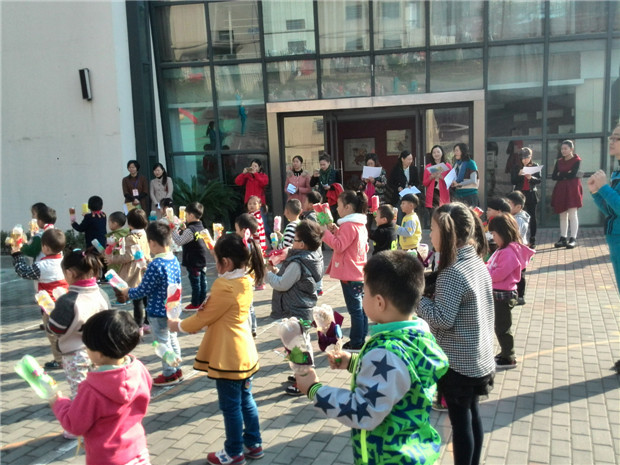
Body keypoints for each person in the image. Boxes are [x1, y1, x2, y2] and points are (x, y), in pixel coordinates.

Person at [296, 251, 449, 465]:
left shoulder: (386, 351)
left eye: (364, 291)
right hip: (413, 450)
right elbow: (401, 376)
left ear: (379, 302)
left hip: (387, 458)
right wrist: (353, 362)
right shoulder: (417, 335)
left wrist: (315, 390)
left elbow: (364, 411)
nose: (361, 296)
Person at [168, 234, 265, 465]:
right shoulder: (246, 278)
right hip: (245, 352)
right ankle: (253, 443)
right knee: (246, 400)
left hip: (228, 357)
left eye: (217, 259)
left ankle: (233, 452)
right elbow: (217, 312)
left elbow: (203, 318)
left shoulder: (224, 285)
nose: (215, 264)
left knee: (230, 407)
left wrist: (177, 325)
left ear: (226, 262)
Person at [417, 203, 495, 465]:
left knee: (460, 423)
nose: (430, 234)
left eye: (433, 228)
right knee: (472, 415)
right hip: (478, 357)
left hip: (459, 364)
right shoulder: (475, 260)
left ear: (448, 231)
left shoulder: (452, 272)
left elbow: (442, 319)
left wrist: (416, 298)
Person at [50, 310, 152, 465]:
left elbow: (74, 425)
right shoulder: (139, 369)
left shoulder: (92, 388)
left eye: (87, 347)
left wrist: (59, 403)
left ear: (99, 354)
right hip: (137, 450)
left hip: (106, 458)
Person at [48, 248, 110, 438]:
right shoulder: (102, 294)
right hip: (99, 351)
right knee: (98, 387)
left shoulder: (67, 300)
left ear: (69, 273)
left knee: (79, 391)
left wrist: (51, 312)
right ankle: (99, 416)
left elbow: (55, 328)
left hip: (75, 354)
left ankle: (77, 426)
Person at [116, 221, 183, 386]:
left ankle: (169, 373)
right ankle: (177, 369)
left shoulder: (155, 265)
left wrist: (127, 292)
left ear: (152, 243)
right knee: (172, 338)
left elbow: (143, 290)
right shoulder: (173, 259)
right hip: (172, 308)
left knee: (162, 343)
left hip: (157, 311)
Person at [265, 220, 324, 396]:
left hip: (296, 309)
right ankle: (301, 374)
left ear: (302, 244)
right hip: (304, 307)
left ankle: (303, 381)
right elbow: (290, 279)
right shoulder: (312, 258)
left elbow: (282, 284)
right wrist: (275, 272)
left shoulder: (298, 263)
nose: (292, 243)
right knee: (302, 343)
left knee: (297, 346)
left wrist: (266, 273)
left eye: (295, 240)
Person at [11, 229, 68, 370]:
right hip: (67, 304)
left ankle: (60, 360)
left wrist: (17, 255)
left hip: (49, 307)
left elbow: (23, 271)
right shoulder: (65, 261)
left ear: (45, 248)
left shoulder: (41, 266)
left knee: (53, 334)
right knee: (66, 333)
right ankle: (69, 355)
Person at [588, 124, 620, 372]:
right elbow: (611, 211)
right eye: (611, 136)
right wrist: (596, 193)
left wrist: (605, 188)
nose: (611, 140)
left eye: (616, 137)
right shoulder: (617, 172)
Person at [322, 190, 369, 351]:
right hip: (359, 272)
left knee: (355, 310)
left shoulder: (349, 225)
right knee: (361, 309)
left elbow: (339, 245)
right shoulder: (359, 224)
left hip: (350, 274)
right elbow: (354, 245)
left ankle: (356, 342)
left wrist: (325, 233)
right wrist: (336, 231)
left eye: (339, 205)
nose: (337, 208)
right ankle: (361, 338)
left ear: (348, 207)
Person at [487, 214, 534, 370]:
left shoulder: (508, 252)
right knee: (500, 327)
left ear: (503, 233)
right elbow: (492, 266)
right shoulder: (504, 249)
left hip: (503, 296)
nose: (493, 238)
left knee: (503, 328)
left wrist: (485, 273)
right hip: (500, 294)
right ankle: (505, 353)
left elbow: (499, 273)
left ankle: (509, 357)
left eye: (494, 234)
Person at [104, 209, 151, 333]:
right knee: (146, 298)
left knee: (137, 300)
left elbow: (128, 256)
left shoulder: (131, 238)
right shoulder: (144, 233)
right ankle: (147, 322)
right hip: (146, 267)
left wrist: (113, 259)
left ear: (129, 224)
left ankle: (138, 326)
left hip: (135, 271)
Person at [172, 202, 209, 311]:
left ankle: (195, 303)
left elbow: (179, 241)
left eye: (186, 214)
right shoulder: (200, 226)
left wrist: (172, 230)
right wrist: (184, 229)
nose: (185, 217)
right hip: (202, 259)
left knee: (195, 283)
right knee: (203, 281)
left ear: (191, 215)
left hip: (193, 261)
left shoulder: (190, 230)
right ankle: (203, 301)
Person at [234, 213, 262, 337]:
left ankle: (249, 331)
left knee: (245, 307)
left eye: (236, 229)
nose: (235, 232)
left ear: (243, 230)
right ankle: (253, 328)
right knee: (250, 306)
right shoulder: (253, 244)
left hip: (243, 280)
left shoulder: (244, 246)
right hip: (250, 279)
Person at [551, 140, 583, 249]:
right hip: (561, 189)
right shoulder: (559, 161)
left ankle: (573, 239)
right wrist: (566, 174)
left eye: (565, 148)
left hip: (573, 188)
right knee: (562, 214)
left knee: (572, 213)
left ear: (571, 149)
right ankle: (563, 238)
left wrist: (562, 174)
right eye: (562, 149)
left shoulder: (577, 160)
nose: (563, 151)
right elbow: (554, 176)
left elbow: (572, 175)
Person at [510, 147, 541, 248]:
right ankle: (518, 237)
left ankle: (532, 239)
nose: (525, 160)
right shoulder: (516, 167)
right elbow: (513, 181)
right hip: (520, 194)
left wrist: (531, 178)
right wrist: (519, 175)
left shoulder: (535, 166)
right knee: (517, 215)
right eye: (523, 158)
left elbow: (539, 180)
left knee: (532, 216)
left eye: (527, 158)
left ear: (530, 157)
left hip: (531, 193)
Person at [506, 191, 531, 306]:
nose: (507, 205)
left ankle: (520, 296)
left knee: (520, 274)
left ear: (518, 207)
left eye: (509, 203)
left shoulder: (519, 220)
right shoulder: (514, 216)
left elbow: (515, 234)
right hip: (515, 249)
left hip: (519, 250)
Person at [387, 150, 420, 222]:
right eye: (408, 159)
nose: (410, 161)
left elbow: (417, 182)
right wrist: (398, 188)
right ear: (402, 159)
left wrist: (411, 186)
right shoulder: (396, 169)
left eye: (411, 159)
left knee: (410, 218)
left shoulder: (413, 169)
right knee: (399, 218)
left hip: (410, 197)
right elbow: (390, 183)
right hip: (399, 197)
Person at [423, 145, 452, 223]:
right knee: (433, 217)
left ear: (442, 153)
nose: (436, 154)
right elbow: (424, 183)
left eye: (438, 152)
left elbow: (451, 182)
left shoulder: (447, 166)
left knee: (443, 217)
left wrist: (441, 177)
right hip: (432, 194)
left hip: (444, 194)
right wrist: (431, 177)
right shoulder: (428, 167)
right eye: (434, 152)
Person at [310, 154, 342, 220]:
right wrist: (314, 177)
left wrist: (330, 187)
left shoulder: (335, 173)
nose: (322, 166)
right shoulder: (319, 173)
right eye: (321, 165)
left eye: (324, 164)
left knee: (332, 218)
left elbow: (339, 186)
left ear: (329, 163)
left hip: (332, 199)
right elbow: (311, 184)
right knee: (323, 218)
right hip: (322, 197)